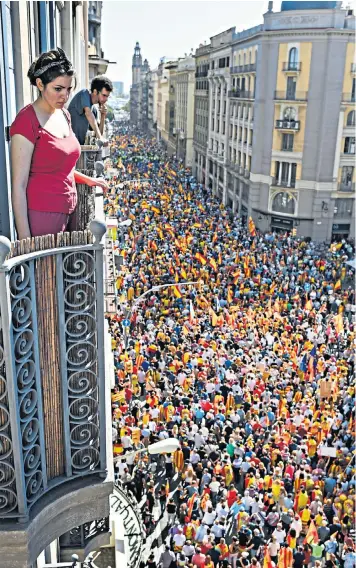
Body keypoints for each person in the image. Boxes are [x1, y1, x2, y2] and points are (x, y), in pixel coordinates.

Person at [10, 48, 108, 239]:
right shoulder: (26, 121)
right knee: (47, 270)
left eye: (68, 89)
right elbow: (18, 185)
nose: (65, 95)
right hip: (42, 217)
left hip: (70, 209)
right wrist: (26, 243)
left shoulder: (64, 114)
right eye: (58, 89)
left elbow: (59, 166)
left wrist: (89, 180)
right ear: (40, 84)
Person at [68, 74, 113, 144]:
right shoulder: (84, 94)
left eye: (107, 96)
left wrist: (103, 116)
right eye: (104, 95)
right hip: (69, 145)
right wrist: (100, 138)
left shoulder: (94, 109)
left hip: (80, 149)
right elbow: (88, 113)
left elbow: (99, 133)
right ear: (95, 92)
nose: (106, 99)